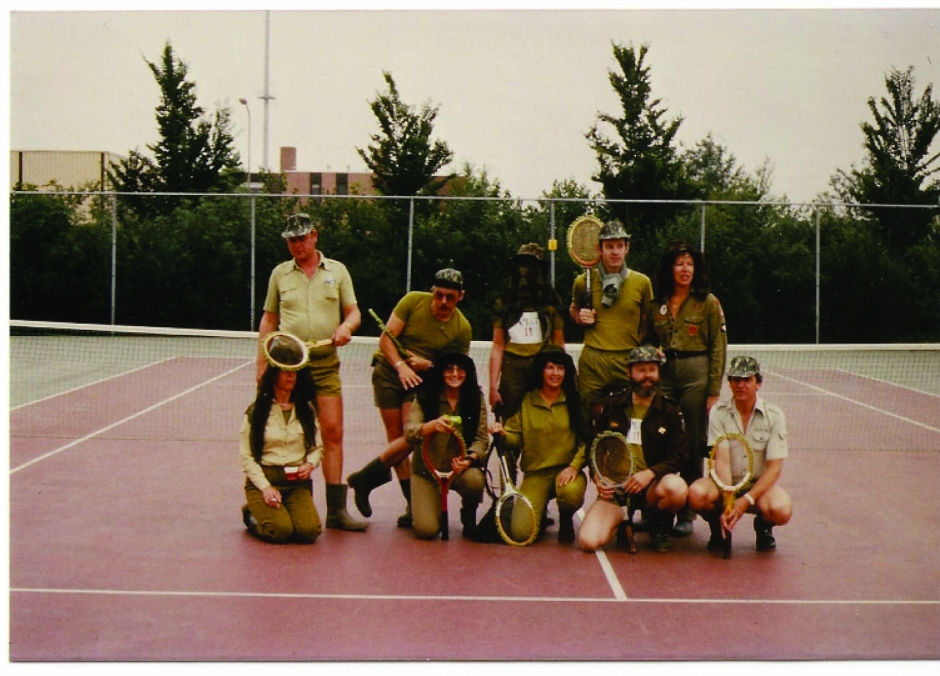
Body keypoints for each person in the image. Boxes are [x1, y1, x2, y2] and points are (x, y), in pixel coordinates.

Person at [256, 213, 366, 532]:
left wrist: (346, 327)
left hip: (326, 364)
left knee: (332, 431)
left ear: (314, 236)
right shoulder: (280, 274)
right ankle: (287, 500)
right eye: (291, 240)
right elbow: (269, 320)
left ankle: (336, 511)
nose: (296, 245)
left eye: (301, 238)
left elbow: (354, 312)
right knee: (290, 434)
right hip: (289, 366)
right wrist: (261, 365)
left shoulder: (338, 271)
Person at [347, 268, 472, 527]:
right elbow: (386, 340)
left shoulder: (462, 328)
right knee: (396, 439)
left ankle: (366, 477)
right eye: (438, 295)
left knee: (411, 436)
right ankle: (412, 505)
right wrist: (400, 366)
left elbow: (456, 370)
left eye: (450, 297)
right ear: (432, 291)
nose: (443, 302)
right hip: (388, 372)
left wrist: (429, 366)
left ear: (460, 296)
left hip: (422, 381)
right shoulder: (412, 301)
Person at [647, 239, 727, 537]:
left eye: (690, 264)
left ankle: (687, 512)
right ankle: (658, 509)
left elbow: (718, 346)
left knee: (693, 442)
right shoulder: (657, 304)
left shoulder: (708, 303)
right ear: (670, 268)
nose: (685, 269)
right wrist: (652, 352)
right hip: (664, 375)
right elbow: (646, 340)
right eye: (679, 263)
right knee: (660, 437)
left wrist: (713, 389)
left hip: (696, 374)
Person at [578, 345, 689, 553]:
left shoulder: (670, 410)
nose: (647, 376)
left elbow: (680, 455)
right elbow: (594, 446)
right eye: (640, 370)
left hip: (651, 487)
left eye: (652, 370)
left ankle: (658, 523)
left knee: (676, 488)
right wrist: (597, 477)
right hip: (617, 489)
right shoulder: (612, 406)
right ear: (629, 372)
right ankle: (620, 520)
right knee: (588, 541)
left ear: (658, 373)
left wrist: (651, 473)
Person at [688, 356, 793, 553]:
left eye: (747, 380)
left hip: (756, 486)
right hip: (724, 482)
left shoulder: (774, 415)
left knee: (781, 510)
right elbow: (722, 460)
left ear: (758, 383)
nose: (741, 385)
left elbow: (775, 468)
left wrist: (746, 500)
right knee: (697, 494)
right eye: (736, 379)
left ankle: (763, 527)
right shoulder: (718, 412)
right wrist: (729, 500)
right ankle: (717, 528)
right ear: (730, 383)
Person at [489, 346, 588, 544]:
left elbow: (586, 441)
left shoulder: (575, 401)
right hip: (536, 475)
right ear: (541, 371)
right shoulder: (526, 401)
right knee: (520, 532)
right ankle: (539, 513)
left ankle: (566, 518)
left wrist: (574, 466)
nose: (555, 373)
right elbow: (514, 438)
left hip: (566, 473)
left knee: (570, 494)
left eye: (560, 368)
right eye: (550, 368)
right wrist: (502, 433)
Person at [488, 242, 566, 480]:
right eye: (521, 265)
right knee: (508, 434)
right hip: (512, 373)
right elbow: (498, 345)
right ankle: (508, 492)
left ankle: (541, 489)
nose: (525, 272)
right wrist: (493, 387)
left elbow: (558, 345)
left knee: (544, 432)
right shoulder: (504, 303)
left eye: (530, 266)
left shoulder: (551, 304)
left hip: (542, 373)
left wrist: (562, 379)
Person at [239, 334, 323, 544]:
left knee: (309, 531)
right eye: (285, 371)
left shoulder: (307, 410)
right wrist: (265, 488)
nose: (291, 376)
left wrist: (310, 464)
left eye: (294, 372)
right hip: (265, 480)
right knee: (280, 531)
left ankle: (282, 511)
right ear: (274, 374)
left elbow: (317, 448)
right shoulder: (257, 411)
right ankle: (251, 514)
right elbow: (246, 457)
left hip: (297, 484)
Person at [570, 219, 653, 411]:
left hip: (628, 359)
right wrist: (579, 317)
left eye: (619, 246)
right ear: (599, 249)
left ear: (627, 248)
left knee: (633, 415)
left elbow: (647, 322)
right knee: (588, 415)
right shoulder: (583, 282)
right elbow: (574, 309)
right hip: (593, 360)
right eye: (609, 246)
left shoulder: (642, 283)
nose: (615, 252)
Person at [404, 352, 489, 540]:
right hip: (427, 471)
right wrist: (429, 427)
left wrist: (469, 460)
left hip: (460, 471)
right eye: (449, 369)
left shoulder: (476, 398)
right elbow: (409, 433)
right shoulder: (424, 396)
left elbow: (481, 439)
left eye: (461, 369)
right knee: (426, 530)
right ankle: (422, 508)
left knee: (475, 480)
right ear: (441, 372)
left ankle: (469, 512)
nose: (455, 374)